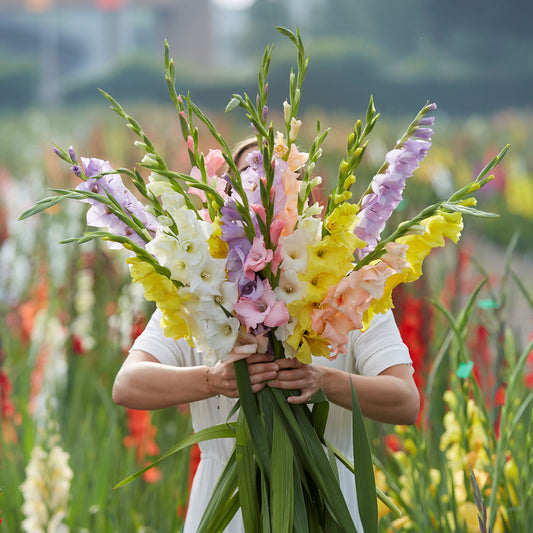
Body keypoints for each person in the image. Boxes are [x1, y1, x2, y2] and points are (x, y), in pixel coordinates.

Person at [112, 139, 420, 533]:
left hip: (326, 504)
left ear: (300, 201)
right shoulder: (199, 291)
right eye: (247, 182)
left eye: (276, 182)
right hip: (227, 509)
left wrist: (324, 381)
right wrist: (213, 381)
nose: (260, 194)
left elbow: (406, 401)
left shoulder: (344, 287)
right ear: (225, 202)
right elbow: (128, 385)